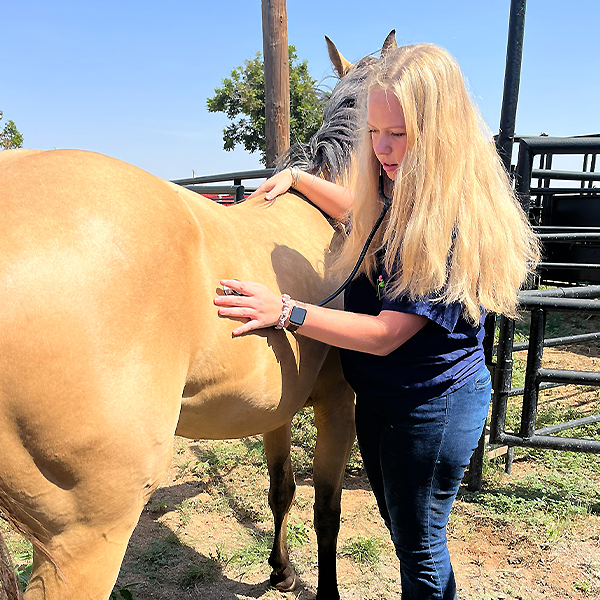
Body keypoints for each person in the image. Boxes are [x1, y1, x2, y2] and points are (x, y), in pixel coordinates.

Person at [214, 43, 539, 599]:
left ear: (440, 133)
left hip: (429, 408)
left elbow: (387, 335)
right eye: (374, 131)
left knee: (419, 549)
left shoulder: (448, 217)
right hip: (388, 400)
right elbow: (363, 217)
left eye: (401, 133)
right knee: (408, 534)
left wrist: (286, 311)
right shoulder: (404, 190)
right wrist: (300, 178)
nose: (384, 149)